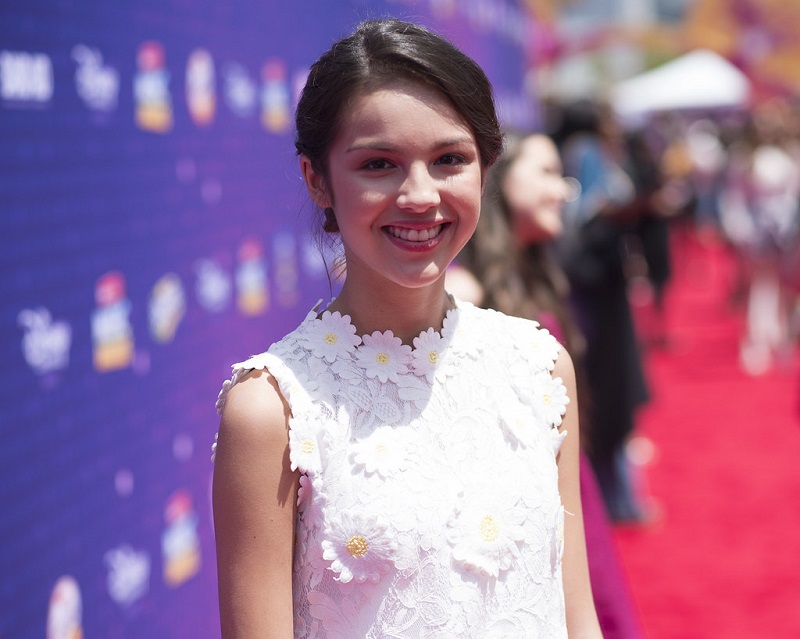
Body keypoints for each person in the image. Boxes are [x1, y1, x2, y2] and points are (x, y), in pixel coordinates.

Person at [211, 18, 603, 639]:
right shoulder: (272, 410)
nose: (420, 195)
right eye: (379, 164)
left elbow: (575, 616)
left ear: (486, 168)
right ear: (317, 179)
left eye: (450, 159)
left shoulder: (539, 366)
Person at [452, 132, 644, 639]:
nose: (562, 190)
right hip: (518, 517)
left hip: (570, 491)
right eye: (546, 173)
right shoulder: (462, 292)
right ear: (498, 181)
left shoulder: (538, 273)